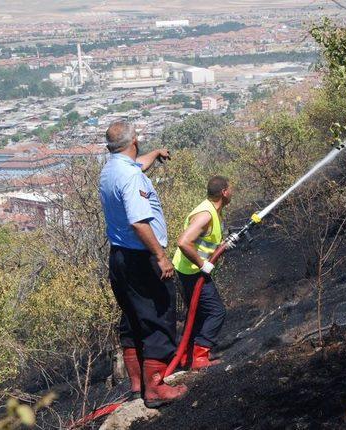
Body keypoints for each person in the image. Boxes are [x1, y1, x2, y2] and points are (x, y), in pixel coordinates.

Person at [99, 120, 187, 408]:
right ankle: (156, 389)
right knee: (158, 315)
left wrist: (156, 153)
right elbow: (139, 222)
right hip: (142, 257)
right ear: (133, 141)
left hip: (119, 258)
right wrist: (161, 257)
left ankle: (137, 384)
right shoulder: (131, 178)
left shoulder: (111, 169)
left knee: (133, 319)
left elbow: (138, 165)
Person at [172, 176, 233, 369]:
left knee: (197, 313)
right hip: (191, 271)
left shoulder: (214, 211)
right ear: (224, 192)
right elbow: (183, 242)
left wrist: (223, 246)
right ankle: (199, 356)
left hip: (190, 270)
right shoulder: (206, 214)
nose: (232, 192)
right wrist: (202, 264)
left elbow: (205, 241)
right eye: (231, 189)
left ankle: (185, 356)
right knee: (216, 312)